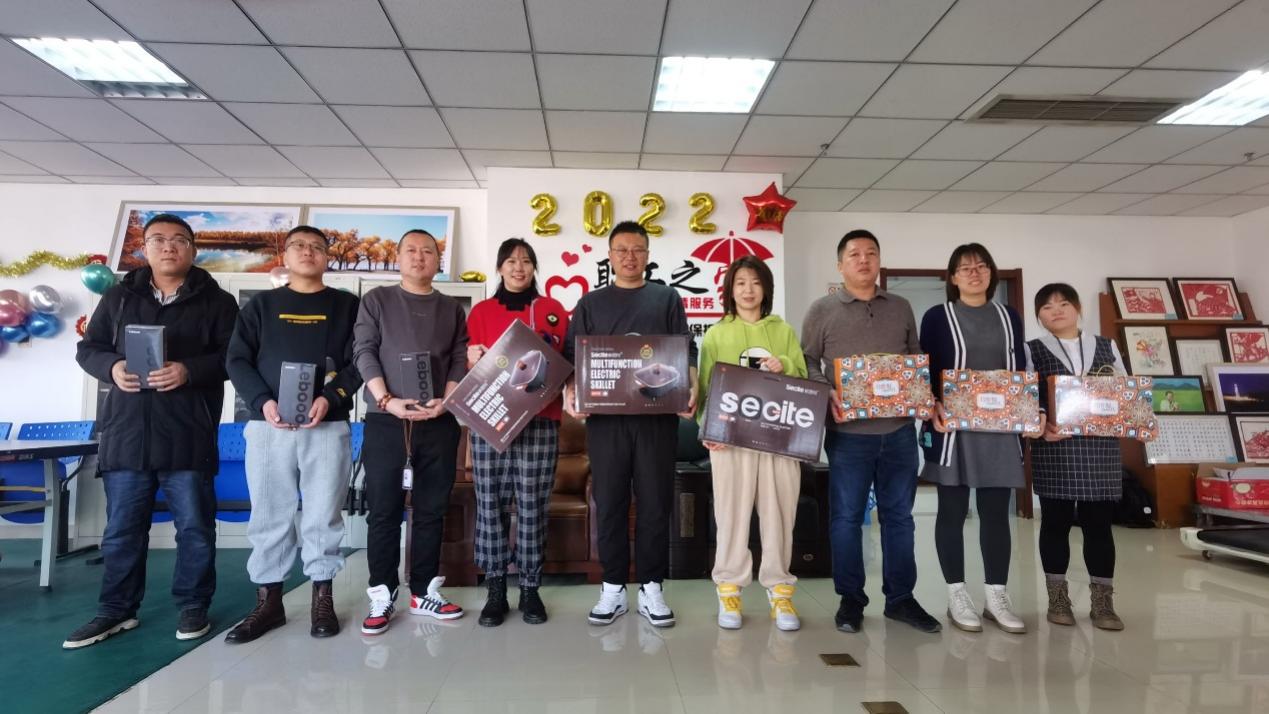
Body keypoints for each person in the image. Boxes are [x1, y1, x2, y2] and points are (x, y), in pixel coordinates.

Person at [67, 213, 238, 649]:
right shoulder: (120, 297)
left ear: (193, 250)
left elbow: (234, 357)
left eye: (179, 240)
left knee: (195, 528)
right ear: (144, 249)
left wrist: (189, 369)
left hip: (188, 432)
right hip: (127, 433)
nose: (168, 247)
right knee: (122, 530)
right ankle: (116, 609)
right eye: (158, 239)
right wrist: (112, 366)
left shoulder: (217, 302)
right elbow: (89, 349)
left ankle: (194, 604)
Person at [223, 226, 362, 643]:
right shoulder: (261, 305)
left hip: (328, 425)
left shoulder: (347, 306)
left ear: (327, 258)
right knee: (269, 513)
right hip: (269, 427)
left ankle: (322, 597)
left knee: (324, 513)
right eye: (299, 245)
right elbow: (237, 360)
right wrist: (263, 401)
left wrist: (331, 397)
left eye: (317, 247)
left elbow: (361, 361)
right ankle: (269, 602)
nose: (308, 252)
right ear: (285, 255)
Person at [801, 229, 940, 635]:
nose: (864, 260)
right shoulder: (822, 310)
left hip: (899, 432)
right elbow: (807, 360)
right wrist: (826, 391)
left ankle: (901, 599)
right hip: (849, 435)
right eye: (854, 254)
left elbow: (914, 359)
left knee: (899, 518)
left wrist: (922, 395)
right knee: (846, 519)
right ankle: (851, 600)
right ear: (840, 264)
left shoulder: (900, 307)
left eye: (871, 253)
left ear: (879, 261)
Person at [564, 220, 698, 628]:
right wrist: (571, 393)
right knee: (610, 503)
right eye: (621, 250)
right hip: (606, 422)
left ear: (647, 255)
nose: (629, 256)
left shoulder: (666, 298)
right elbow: (573, 357)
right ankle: (613, 588)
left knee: (656, 502)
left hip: (657, 420)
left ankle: (651, 587)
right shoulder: (591, 303)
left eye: (637, 250)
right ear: (609, 256)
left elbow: (685, 350)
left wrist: (691, 387)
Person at [921, 242, 1040, 634]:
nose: (974, 273)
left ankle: (996, 596)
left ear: (991, 272)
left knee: (995, 513)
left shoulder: (1009, 316)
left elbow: (1019, 370)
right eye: (965, 268)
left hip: (999, 430)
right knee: (952, 511)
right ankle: (957, 595)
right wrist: (932, 406)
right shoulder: (938, 317)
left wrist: (1030, 410)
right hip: (952, 430)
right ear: (953, 278)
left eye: (981, 266)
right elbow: (923, 370)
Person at [353, 229, 468, 634]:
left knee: (432, 510)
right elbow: (364, 351)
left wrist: (447, 400)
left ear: (438, 260)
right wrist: (386, 400)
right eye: (411, 251)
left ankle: (423, 591)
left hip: (438, 421)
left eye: (428, 251)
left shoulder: (451, 308)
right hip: (387, 420)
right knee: (384, 511)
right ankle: (382, 594)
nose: (420, 257)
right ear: (398, 257)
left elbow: (459, 358)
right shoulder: (377, 300)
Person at [698, 256, 807, 632]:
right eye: (740, 282)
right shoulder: (717, 334)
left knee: (780, 514)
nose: (748, 290)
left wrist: (785, 364)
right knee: (730, 513)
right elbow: (705, 387)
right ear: (730, 289)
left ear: (766, 289)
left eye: (755, 282)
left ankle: (780, 591)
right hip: (731, 442)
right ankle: (729, 587)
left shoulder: (783, 330)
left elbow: (804, 377)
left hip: (780, 439)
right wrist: (708, 429)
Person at [465, 238, 569, 627]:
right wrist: (470, 357)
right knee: (489, 501)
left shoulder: (553, 310)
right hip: (489, 418)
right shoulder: (481, 312)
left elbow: (567, 363)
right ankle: (495, 587)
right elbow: (468, 363)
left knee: (532, 504)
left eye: (526, 261)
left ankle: (529, 586)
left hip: (540, 420)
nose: (519, 267)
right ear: (500, 268)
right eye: (510, 261)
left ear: (534, 267)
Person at [1026, 283, 1131, 630]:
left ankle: (1103, 603)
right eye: (1047, 307)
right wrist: (1040, 423)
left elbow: (1124, 390)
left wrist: (1136, 419)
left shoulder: (1105, 345)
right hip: (1055, 445)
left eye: (1063, 303)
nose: (1056, 311)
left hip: (1100, 447)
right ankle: (1058, 600)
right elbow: (1028, 394)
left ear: (1078, 308)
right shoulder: (1032, 349)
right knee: (1054, 522)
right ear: (1039, 316)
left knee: (1098, 525)